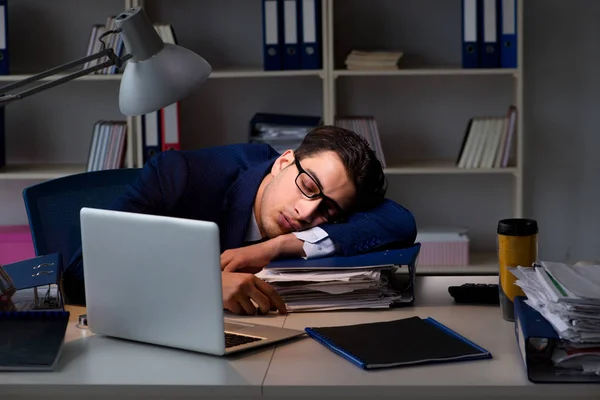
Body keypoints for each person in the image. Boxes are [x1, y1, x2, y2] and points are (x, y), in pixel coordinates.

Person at [64, 126, 417, 314]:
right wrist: (200, 285)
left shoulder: (314, 214)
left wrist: (278, 246)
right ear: (283, 162)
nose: (307, 213)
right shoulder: (181, 174)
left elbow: (399, 222)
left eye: (328, 210)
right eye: (308, 186)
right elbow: (82, 272)